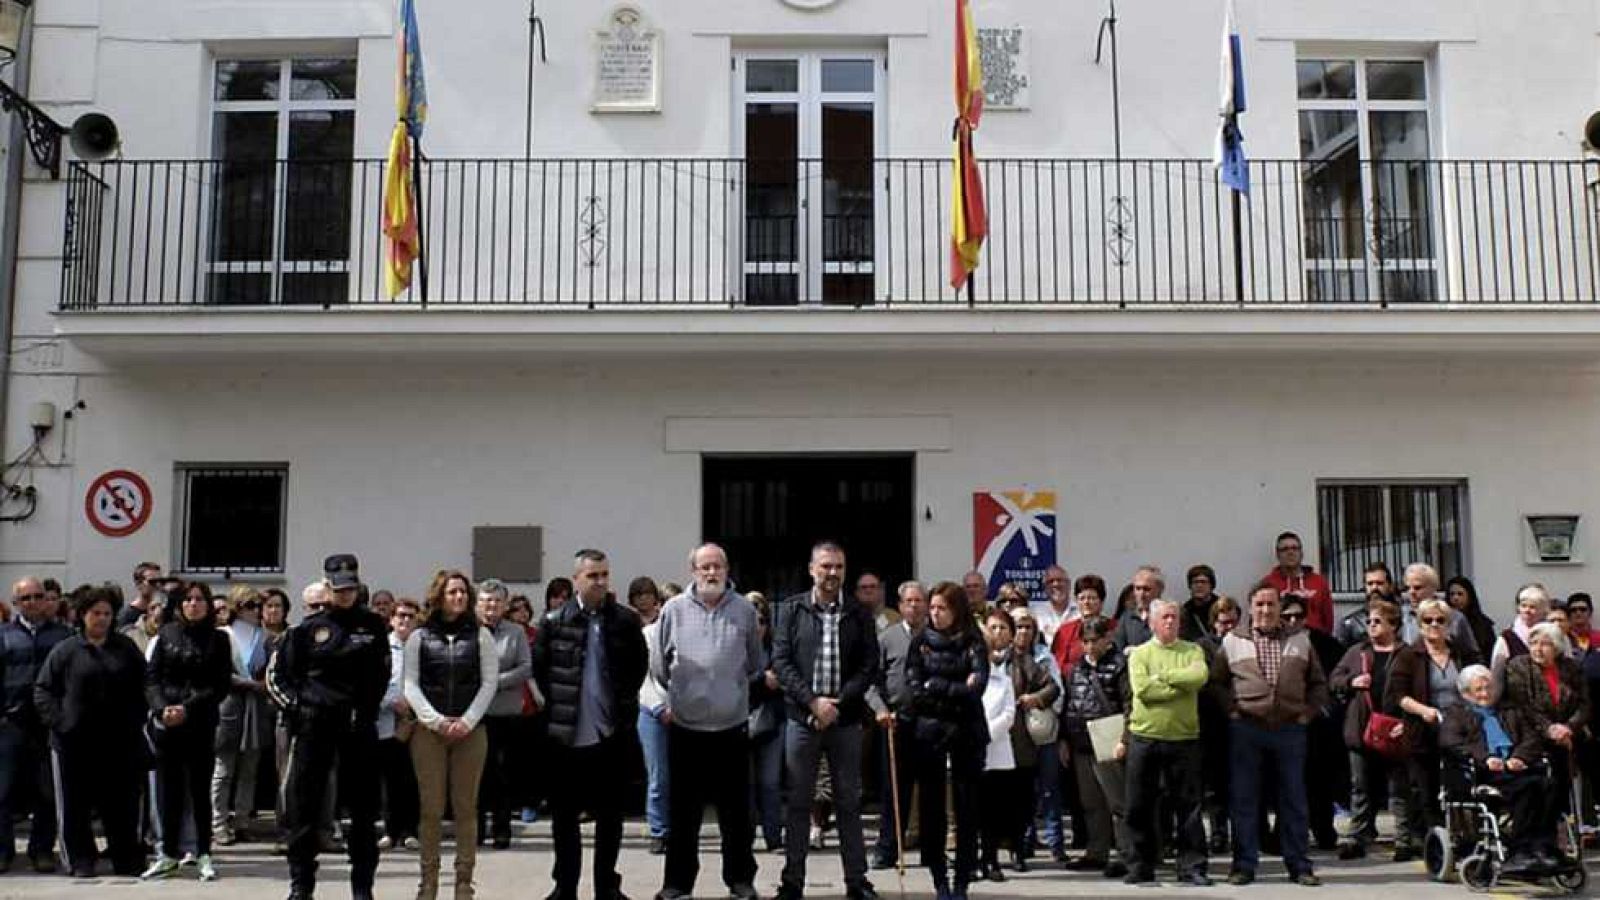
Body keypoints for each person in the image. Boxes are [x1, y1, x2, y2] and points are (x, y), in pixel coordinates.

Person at [267, 554, 391, 900]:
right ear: (327, 586)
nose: (346, 594)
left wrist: (365, 710)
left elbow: (382, 675)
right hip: (315, 728)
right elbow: (281, 677)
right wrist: (299, 709)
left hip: (358, 729)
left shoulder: (372, 625)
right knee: (304, 811)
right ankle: (301, 885)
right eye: (339, 588)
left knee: (363, 814)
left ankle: (362, 887)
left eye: (351, 587)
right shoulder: (307, 630)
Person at [532, 549, 647, 900]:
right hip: (567, 736)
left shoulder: (624, 621)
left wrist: (622, 705)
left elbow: (638, 667)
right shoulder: (554, 622)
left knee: (610, 818)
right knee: (564, 819)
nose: (600, 582)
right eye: (592, 575)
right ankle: (565, 887)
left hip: (609, 734)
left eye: (604, 575)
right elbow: (541, 671)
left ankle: (606, 886)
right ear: (577, 579)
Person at [652, 543, 763, 900]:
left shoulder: (745, 610)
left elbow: (755, 664)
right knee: (683, 815)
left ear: (728, 569)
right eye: (705, 567)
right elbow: (658, 666)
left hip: (732, 728)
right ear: (693, 572)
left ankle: (741, 880)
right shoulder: (673, 610)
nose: (712, 573)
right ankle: (677, 884)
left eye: (717, 566)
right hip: (687, 730)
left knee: (737, 816)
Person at [773, 541, 881, 900]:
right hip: (801, 719)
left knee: (849, 801)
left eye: (838, 566)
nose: (832, 573)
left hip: (846, 719)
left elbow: (869, 665)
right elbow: (782, 662)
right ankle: (792, 881)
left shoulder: (859, 613)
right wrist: (812, 702)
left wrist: (838, 702)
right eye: (825, 566)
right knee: (799, 802)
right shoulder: (791, 610)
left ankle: (857, 880)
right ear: (811, 569)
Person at [1212, 583, 1328, 887]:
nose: (1265, 610)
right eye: (1260, 605)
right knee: (1245, 799)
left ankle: (1299, 865)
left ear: (1279, 608)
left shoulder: (1300, 640)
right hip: (1246, 729)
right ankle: (1244, 865)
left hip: (1289, 729)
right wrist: (1232, 711)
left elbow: (1318, 683)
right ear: (1250, 608)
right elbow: (1217, 683)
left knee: (1293, 799)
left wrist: (1307, 714)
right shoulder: (1233, 641)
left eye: (1271, 605)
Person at [34, 585, 148, 877]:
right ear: (83, 615)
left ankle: (125, 858)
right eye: (96, 613)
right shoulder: (66, 650)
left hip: (119, 742)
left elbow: (145, 685)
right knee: (75, 806)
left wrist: (137, 719)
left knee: (121, 804)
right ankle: (80, 859)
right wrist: (61, 722)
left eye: (107, 613)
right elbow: (43, 691)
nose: (102, 619)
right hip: (73, 743)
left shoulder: (126, 649)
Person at [404, 569, 499, 900]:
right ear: (439, 596)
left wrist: (467, 721)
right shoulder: (420, 636)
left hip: (470, 731)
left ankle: (463, 881)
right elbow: (411, 684)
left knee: (465, 807)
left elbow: (489, 682)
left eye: (462, 592)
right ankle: (428, 881)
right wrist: (436, 721)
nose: (458, 597)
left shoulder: (481, 636)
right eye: (452, 592)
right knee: (431, 807)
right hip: (430, 732)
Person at [142, 580, 233, 881]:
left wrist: (187, 707)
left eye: (199, 599)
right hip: (167, 723)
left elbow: (219, 685)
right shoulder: (167, 634)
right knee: (168, 791)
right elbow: (152, 678)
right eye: (188, 600)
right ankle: (167, 853)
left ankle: (203, 852)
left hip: (200, 721)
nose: (193, 604)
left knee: (198, 790)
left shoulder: (219, 639)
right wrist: (161, 708)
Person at [905, 581, 988, 900]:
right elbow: (915, 692)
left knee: (967, 807)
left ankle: (963, 879)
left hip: (967, 733)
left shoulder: (973, 641)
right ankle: (938, 876)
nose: (935, 613)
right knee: (931, 807)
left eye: (942, 608)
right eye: (933, 607)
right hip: (930, 734)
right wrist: (953, 688)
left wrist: (936, 685)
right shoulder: (920, 642)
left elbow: (975, 688)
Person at [1442, 665, 1564, 874]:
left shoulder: (1509, 710)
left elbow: (1531, 738)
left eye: (1488, 687)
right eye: (1478, 689)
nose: (1485, 694)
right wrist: (1486, 758)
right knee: (1528, 788)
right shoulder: (1457, 714)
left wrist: (1519, 757)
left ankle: (1544, 847)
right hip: (1484, 773)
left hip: (1516, 767)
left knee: (1551, 785)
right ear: (1465, 693)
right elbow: (1451, 743)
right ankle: (1519, 850)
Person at [1384, 595, 1480, 862]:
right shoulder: (1408, 655)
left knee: (1460, 787)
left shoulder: (1460, 653)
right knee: (1426, 791)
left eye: (1440, 620)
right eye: (1428, 620)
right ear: (1419, 623)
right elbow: (1398, 696)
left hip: (1459, 729)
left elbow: (1477, 682)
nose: (1434, 625)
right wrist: (1423, 710)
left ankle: (1465, 839)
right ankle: (1435, 842)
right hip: (1424, 729)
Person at [1124, 598, 1211, 886]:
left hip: (1184, 739)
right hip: (1144, 737)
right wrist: (1179, 686)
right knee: (1139, 805)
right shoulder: (1139, 654)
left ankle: (1192, 866)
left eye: (1174, 617)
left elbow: (1199, 676)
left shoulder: (1193, 650)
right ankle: (1140, 866)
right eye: (1164, 618)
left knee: (1188, 807)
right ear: (1151, 622)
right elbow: (1143, 690)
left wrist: (1164, 676)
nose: (1170, 622)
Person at [978, 608, 1058, 880]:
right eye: (993, 627)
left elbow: (1052, 687)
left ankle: (1018, 850)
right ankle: (985, 856)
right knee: (986, 805)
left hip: (1018, 742)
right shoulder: (974, 661)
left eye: (1003, 628)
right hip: (983, 743)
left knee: (1017, 803)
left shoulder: (1022, 661)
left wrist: (1032, 699)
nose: (998, 633)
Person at [0, 576, 71, 872]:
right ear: (16, 603)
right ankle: (3, 851)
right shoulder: (3, 635)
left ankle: (42, 850)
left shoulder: (64, 636)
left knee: (48, 792)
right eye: (26, 598)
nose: (33, 603)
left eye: (37, 596)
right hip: (11, 723)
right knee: (2, 791)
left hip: (48, 724)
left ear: (47, 599)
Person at [1328, 598, 1406, 860]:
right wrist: (1352, 681)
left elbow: (1417, 687)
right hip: (1361, 728)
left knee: (1398, 787)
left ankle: (1404, 838)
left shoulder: (1405, 654)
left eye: (1377, 621)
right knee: (1360, 786)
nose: (1371, 626)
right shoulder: (1356, 652)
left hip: (1395, 728)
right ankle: (1358, 835)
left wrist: (1407, 723)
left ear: (1393, 625)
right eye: (1370, 621)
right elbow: (1334, 680)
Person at [1061, 615, 1131, 877]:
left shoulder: (1119, 665)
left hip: (1108, 736)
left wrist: (1125, 739)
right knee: (1090, 802)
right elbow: (1069, 703)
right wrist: (1064, 740)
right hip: (1081, 741)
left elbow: (1129, 704)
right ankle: (1096, 851)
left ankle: (1126, 853)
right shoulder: (1076, 668)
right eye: (1085, 641)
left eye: (1094, 640)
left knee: (1117, 801)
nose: (1089, 646)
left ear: (1107, 639)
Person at [1502, 622, 1589, 828]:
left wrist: (1568, 728)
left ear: (1557, 647)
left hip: (1567, 734)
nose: (1538, 649)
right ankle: (1546, 831)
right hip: (1534, 735)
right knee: (1549, 778)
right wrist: (1551, 730)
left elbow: (1584, 703)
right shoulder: (1519, 666)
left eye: (1545, 644)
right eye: (1533, 643)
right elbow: (1525, 705)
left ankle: (1578, 823)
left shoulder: (1570, 667)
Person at [1279, 594, 1346, 851]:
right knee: (1288, 781)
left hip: (1317, 721)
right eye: (1287, 616)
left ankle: (1323, 830)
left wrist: (1321, 707)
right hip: (1284, 720)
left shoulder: (1324, 643)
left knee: (1320, 781)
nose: (1292, 621)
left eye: (1298, 615)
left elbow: (1336, 677)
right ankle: (1290, 834)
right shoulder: (1273, 641)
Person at [866, 580, 924, 870]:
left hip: (928, 724)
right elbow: (871, 682)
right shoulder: (887, 639)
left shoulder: (934, 638)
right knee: (894, 791)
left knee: (931, 788)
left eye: (919, 601)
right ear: (900, 606)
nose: (914, 606)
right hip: (895, 723)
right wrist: (880, 709)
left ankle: (932, 850)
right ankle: (888, 849)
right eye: (909, 601)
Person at [213, 586, 273, 847]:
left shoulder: (265, 637)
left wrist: (263, 683)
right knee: (224, 769)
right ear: (238, 608)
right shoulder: (223, 636)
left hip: (255, 708)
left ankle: (243, 822)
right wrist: (251, 684)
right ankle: (218, 823)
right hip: (229, 706)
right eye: (251, 606)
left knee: (250, 769)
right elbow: (219, 672)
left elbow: (270, 669)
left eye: (259, 606)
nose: (256, 611)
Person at [475, 578, 532, 852]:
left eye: (496, 601)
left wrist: (494, 681)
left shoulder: (516, 632)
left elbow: (524, 667)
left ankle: (501, 828)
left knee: (503, 773)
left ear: (504, 605)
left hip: (506, 713)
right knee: (477, 773)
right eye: (486, 601)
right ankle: (475, 829)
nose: (491, 607)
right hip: (477, 714)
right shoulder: (469, 631)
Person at [1198, 594, 1240, 853]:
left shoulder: (1246, 644)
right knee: (1214, 785)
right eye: (1224, 622)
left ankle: (1244, 833)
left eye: (1233, 622)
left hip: (1244, 721)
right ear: (1214, 623)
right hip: (1213, 722)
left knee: (1241, 781)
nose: (1228, 627)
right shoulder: (1203, 647)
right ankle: (1218, 832)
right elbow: (1208, 683)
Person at [377, 597, 420, 852]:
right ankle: (390, 830)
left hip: (415, 720)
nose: (404, 620)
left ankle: (410, 830)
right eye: (400, 615)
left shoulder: (421, 647)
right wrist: (392, 701)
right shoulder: (382, 647)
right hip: (387, 718)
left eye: (410, 616)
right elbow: (374, 681)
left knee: (412, 778)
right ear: (392, 619)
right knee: (388, 780)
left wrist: (413, 708)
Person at [632, 576, 671, 855]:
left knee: (681, 776)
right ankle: (659, 830)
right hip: (651, 712)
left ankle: (679, 829)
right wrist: (659, 708)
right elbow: (642, 678)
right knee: (658, 775)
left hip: (684, 713)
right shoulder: (647, 636)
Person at [749, 593, 788, 855]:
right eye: (752, 621)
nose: (757, 626)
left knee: (770, 783)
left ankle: (774, 837)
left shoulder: (776, 648)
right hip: (740, 721)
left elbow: (788, 677)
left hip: (773, 722)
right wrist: (762, 678)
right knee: (745, 786)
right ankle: (745, 837)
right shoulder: (734, 647)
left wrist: (777, 680)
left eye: (762, 620)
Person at [1261, 532, 1334, 635]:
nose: (1290, 552)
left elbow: (1328, 620)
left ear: (1301, 553)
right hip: (1280, 640)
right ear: (1277, 555)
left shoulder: (1319, 582)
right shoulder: (1268, 584)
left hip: (1314, 641)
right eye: (1284, 549)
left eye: (1294, 548)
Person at [1398, 563, 1479, 654]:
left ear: (1433, 588)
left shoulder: (1455, 618)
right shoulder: (1400, 616)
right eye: (1408, 588)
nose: (1411, 592)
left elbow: (1472, 653)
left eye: (1417, 588)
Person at [1491, 584, 1552, 682]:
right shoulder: (1506, 638)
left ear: (1543, 610)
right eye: (1523, 606)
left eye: (1532, 607)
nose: (1527, 610)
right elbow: (1496, 676)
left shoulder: (1553, 635)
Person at [1051, 574, 1107, 677]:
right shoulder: (1065, 631)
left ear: (1101, 601)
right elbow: (1057, 665)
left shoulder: (1113, 627)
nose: (1086, 602)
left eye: (1092, 598)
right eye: (1082, 598)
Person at [1446, 577, 1497, 662]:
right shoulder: (1443, 621)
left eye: (1460, 594)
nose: (1455, 598)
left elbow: (1490, 653)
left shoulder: (1483, 623)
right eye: (1452, 594)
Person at [1112, 567, 1163, 653]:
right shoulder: (1127, 617)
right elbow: (1118, 648)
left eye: (1146, 589)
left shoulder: (1168, 616)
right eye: (1138, 588)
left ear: (1159, 590)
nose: (1141, 594)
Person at [1029, 565, 1078, 645]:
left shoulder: (1081, 611)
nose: (1055, 584)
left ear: (1069, 584)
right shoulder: (1035, 612)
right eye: (1050, 581)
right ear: (1045, 588)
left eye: (1060, 580)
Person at [1180, 565, 1220, 642]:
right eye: (1195, 582)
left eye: (1203, 582)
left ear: (1211, 585)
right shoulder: (1185, 611)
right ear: (1190, 586)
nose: (1199, 586)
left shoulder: (1222, 607)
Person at [119, 561, 165, 629]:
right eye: (152, 581)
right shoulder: (127, 614)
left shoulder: (163, 612)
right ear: (139, 584)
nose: (157, 585)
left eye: (160, 581)